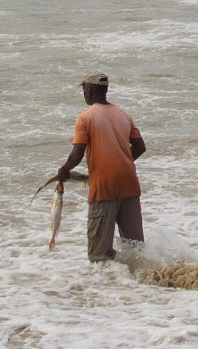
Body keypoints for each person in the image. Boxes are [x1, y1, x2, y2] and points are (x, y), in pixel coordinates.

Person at [52, 72, 146, 262]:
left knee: (98, 255)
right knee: (135, 247)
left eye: (84, 90)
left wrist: (63, 170)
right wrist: (122, 160)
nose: (84, 94)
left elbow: (77, 154)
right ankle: (141, 284)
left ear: (90, 90)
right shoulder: (123, 115)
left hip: (104, 187)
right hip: (129, 183)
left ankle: (107, 288)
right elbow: (140, 147)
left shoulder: (86, 117)